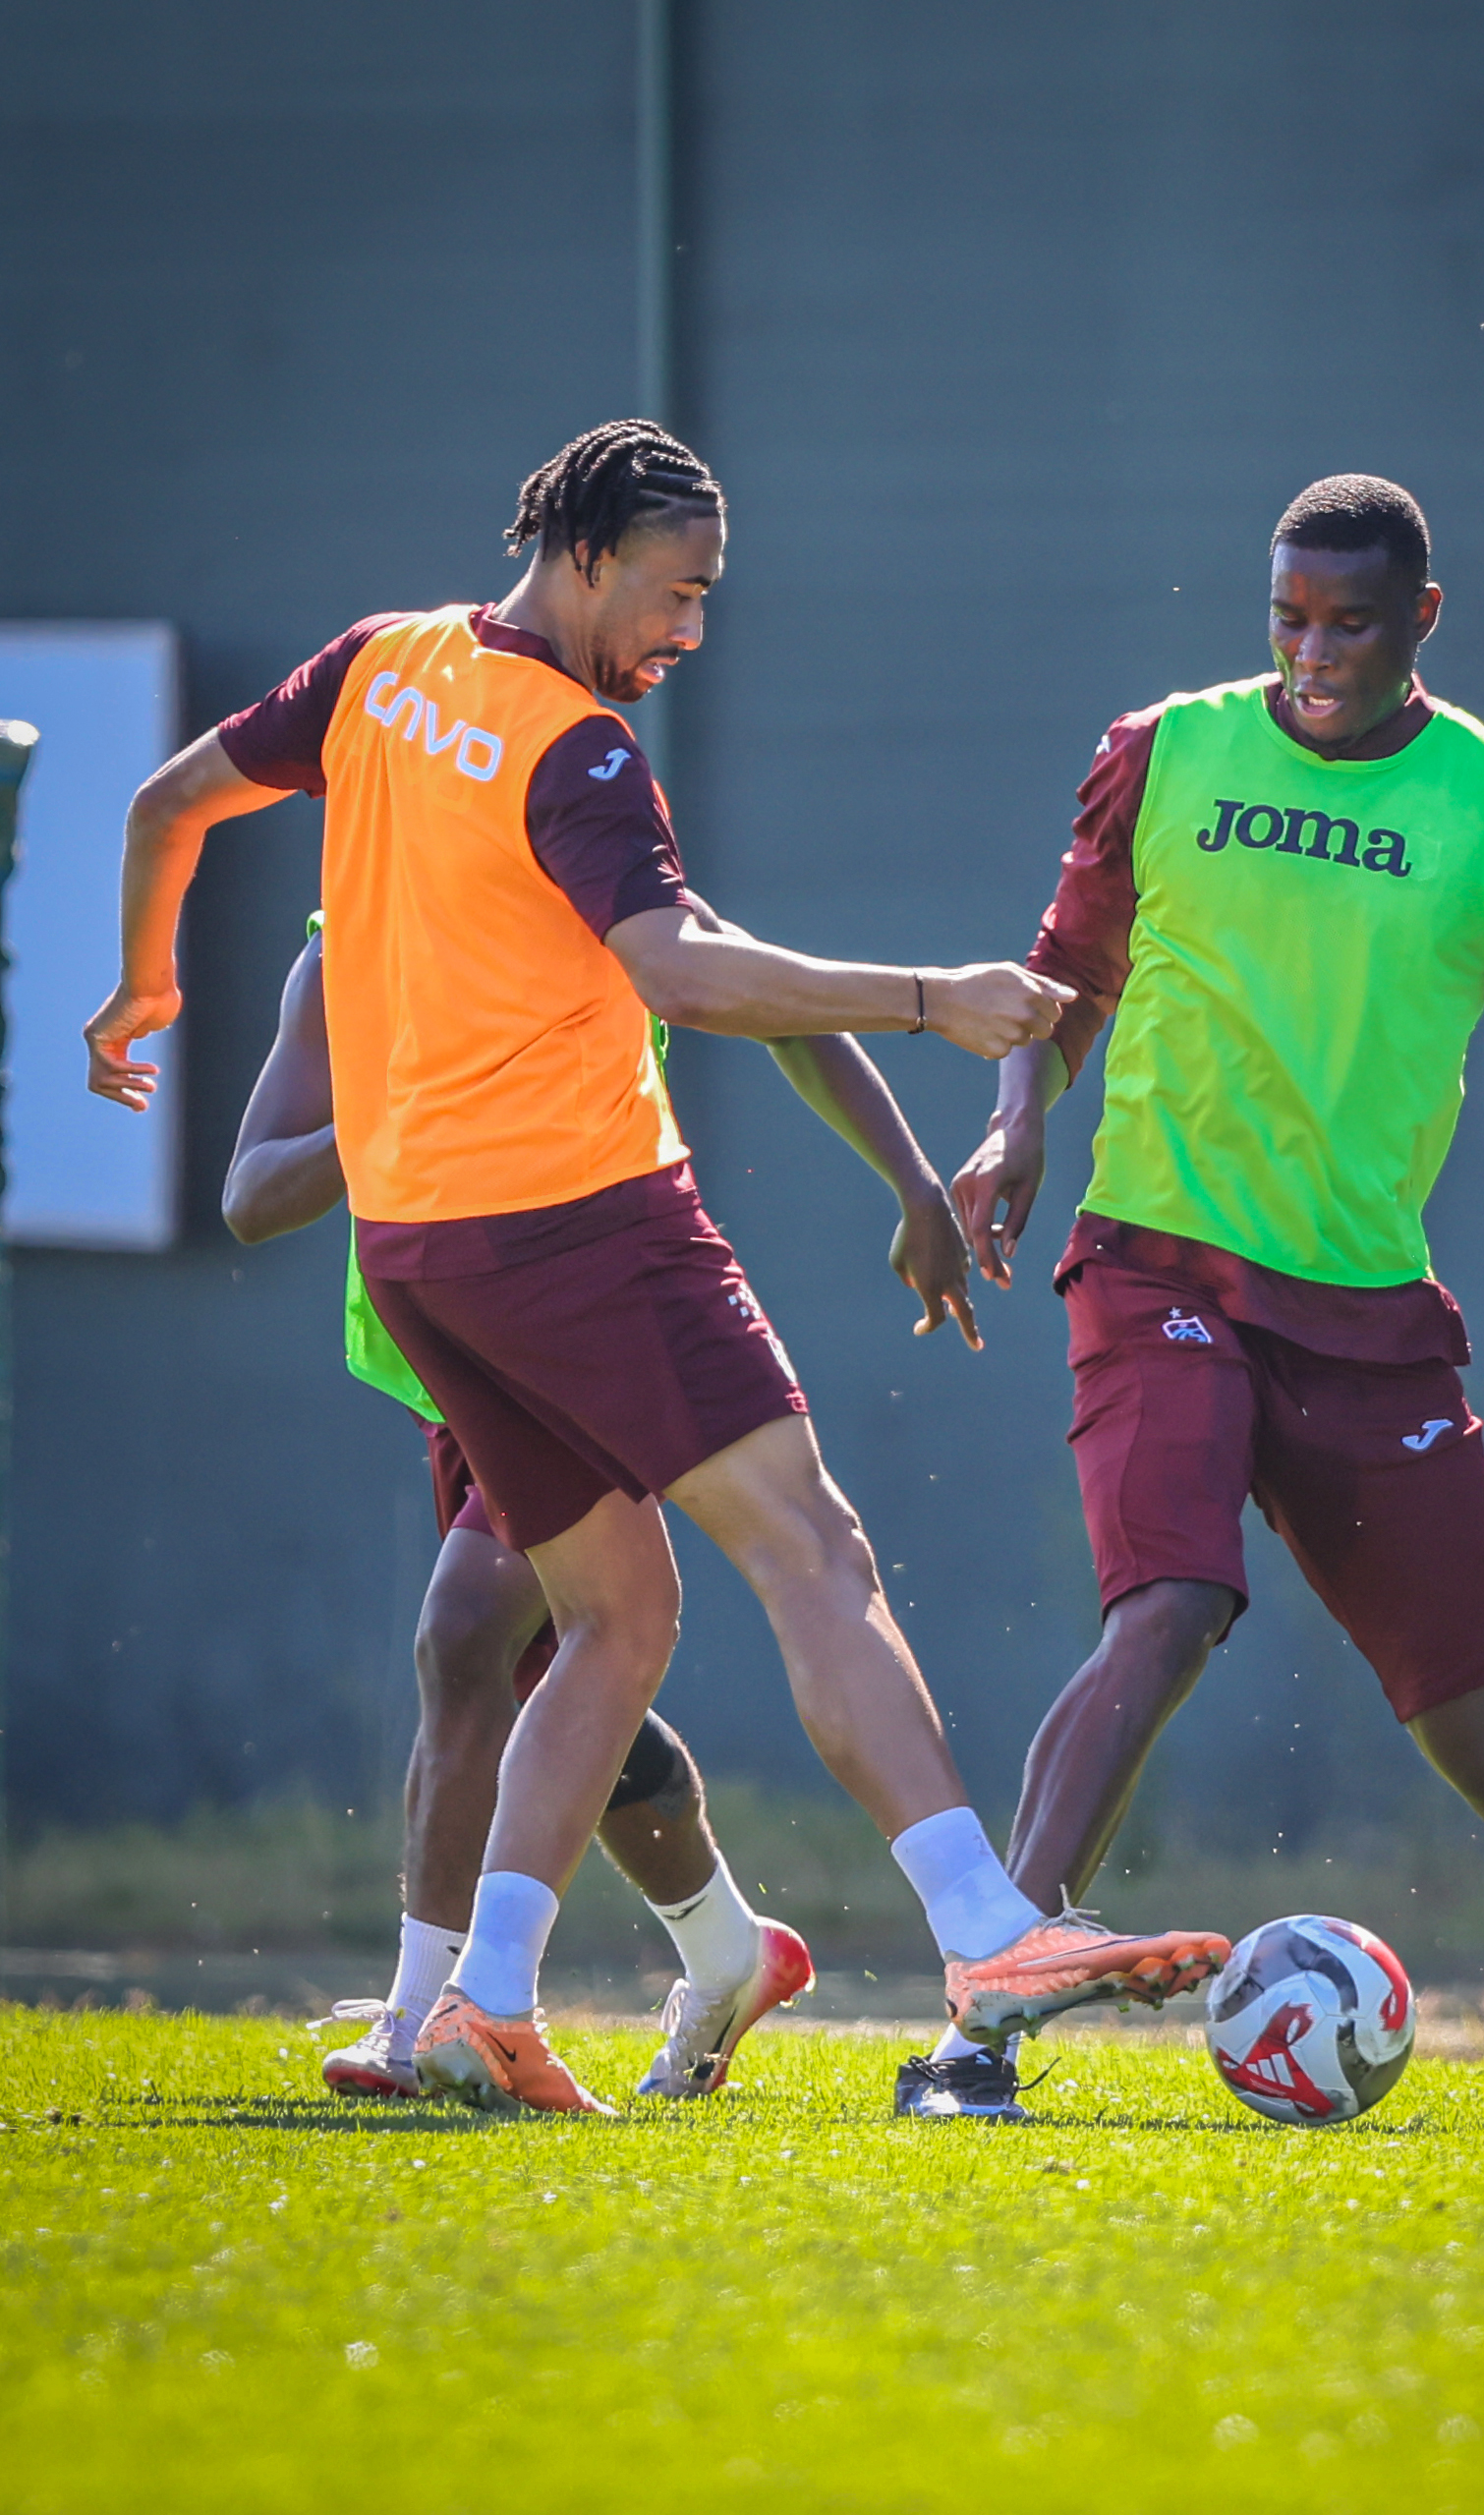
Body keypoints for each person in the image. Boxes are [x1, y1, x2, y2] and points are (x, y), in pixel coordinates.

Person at [87, 418, 1227, 2116]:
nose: (691, 627)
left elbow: (167, 797)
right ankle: (989, 1932)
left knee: (613, 1619)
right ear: (586, 553)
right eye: (675, 591)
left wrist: (144, 982)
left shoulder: (379, 664)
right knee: (811, 1544)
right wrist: (936, 997)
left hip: (422, 1251)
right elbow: (686, 973)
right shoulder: (580, 749)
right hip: (585, 1220)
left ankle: (480, 2003)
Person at [920, 472, 1484, 2125]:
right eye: (1287, 618)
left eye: (1349, 623)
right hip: (1159, 1257)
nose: (1312, 652)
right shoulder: (1165, 751)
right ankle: (976, 2031)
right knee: (1169, 1602)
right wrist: (1015, 1119)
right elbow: (1064, 975)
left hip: (1364, 1318)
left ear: (1422, 617)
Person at [223, 893, 980, 2102]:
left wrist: (916, 1182)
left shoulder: (589, 870)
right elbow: (252, 1195)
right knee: (564, 1676)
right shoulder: (345, 944)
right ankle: (726, 1951)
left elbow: (779, 1004)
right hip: (449, 1356)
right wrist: (391, 1109)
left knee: (473, 1634)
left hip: (584, 1329)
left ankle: (425, 2013)